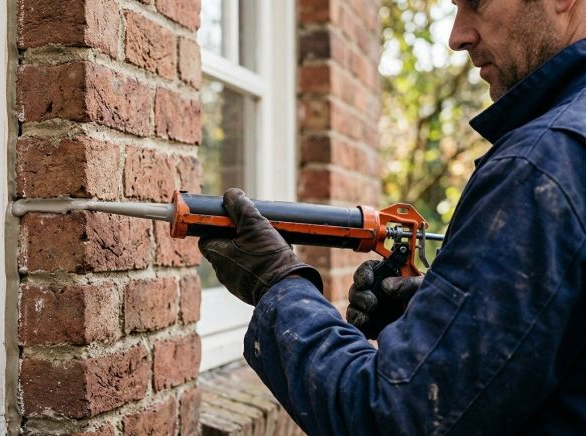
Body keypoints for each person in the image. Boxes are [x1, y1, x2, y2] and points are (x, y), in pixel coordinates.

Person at [198, 0, 586, 434]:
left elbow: (392, 419)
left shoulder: (542, 164)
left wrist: (278, 286)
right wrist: (435, 323)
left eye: (476, 4)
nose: (457, 36)